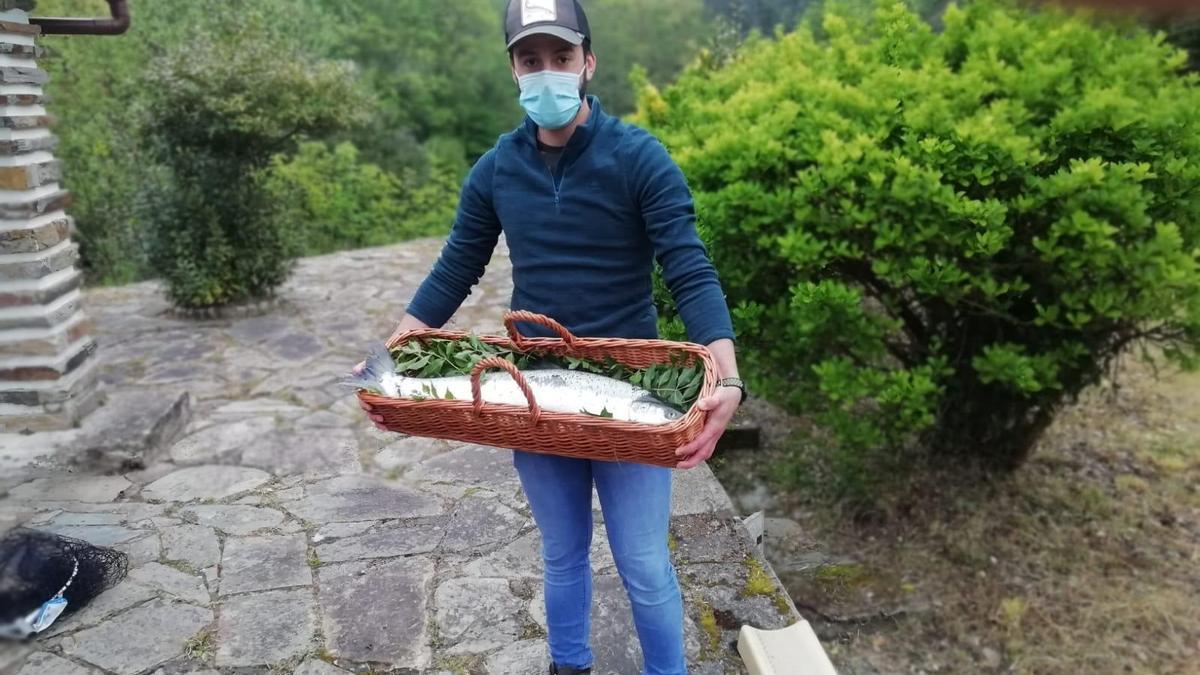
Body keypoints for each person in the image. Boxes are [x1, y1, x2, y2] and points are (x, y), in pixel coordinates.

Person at [358, 1, 745, 672]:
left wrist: (729, 376)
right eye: (530, 60)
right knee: (561, 552)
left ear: (588, 61)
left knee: (645, 563)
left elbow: (687, 263)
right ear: (512, 68)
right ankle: (569, 663)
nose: (547, 74)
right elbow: (458, 263)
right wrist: (397, 350)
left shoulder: (639, 158)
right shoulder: (496, 170)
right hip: (533, 391)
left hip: (632, 398)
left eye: (561, 58)